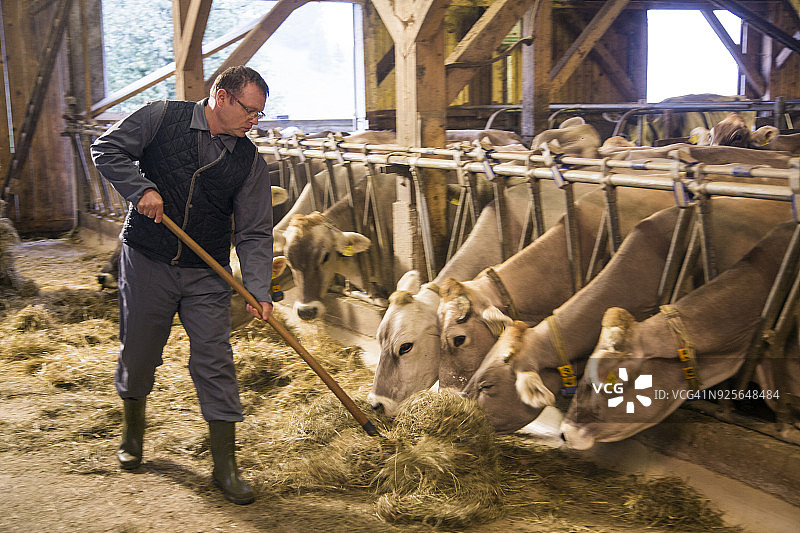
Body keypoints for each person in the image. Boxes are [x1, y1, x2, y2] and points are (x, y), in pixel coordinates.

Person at [91, 66, 274, 505]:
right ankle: (133, 433)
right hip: (147, 260)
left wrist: (258, 289)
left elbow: (253, 232)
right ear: (220, 97)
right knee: (139, 351)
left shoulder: (249, 162)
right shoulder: (161, 117)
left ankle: (225, 466)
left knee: (215, 360)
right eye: (249, 110)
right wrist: (140, 189)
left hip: (206, 272)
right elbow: (107, 148)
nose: (254, 121)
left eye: (260, 114)